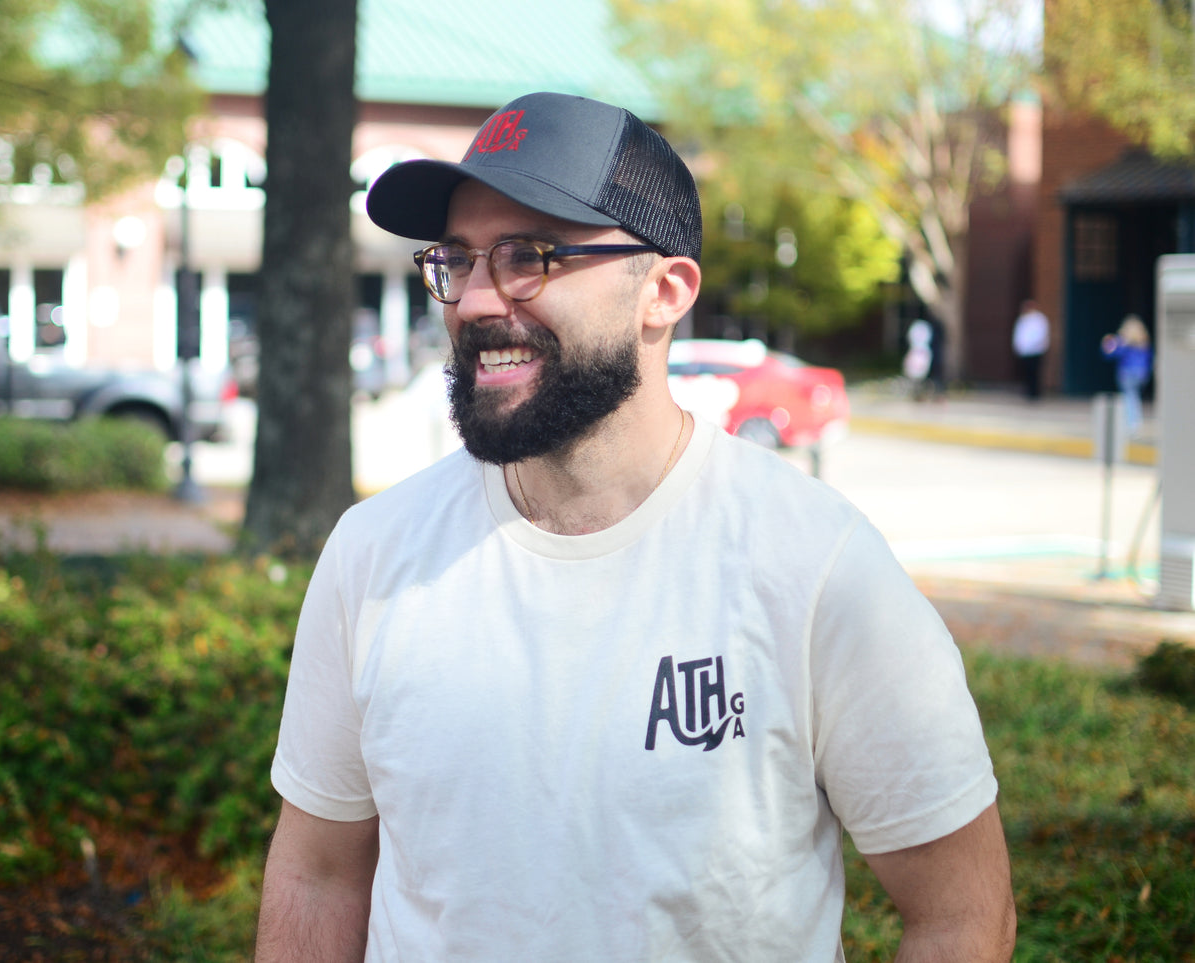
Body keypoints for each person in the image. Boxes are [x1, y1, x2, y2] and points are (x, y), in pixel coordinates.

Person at [256, 91, 1015, 962]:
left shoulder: (813, 564)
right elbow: (318, 875)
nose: (471, 300)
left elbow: (962, 914)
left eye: (527, 256)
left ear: (663, 291)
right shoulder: (373, 554)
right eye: (457, 260)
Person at [1101, 314, 1153, 434]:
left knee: (1129, 397)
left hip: (1127, 373)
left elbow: (1110, 353)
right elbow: (1149, 358)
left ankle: (1131, 423)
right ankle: (1136, 421)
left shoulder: (1123, 341)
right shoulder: (1143, 341)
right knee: (1134, 396)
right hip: (1141, 373)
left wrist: (1108, 343)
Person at [1012, 299, 1050, 400]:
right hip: (1024, 351)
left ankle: (1035, 393)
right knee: (1026, 372)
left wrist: (1031, 345)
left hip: (1035, 350)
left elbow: (1040, 335)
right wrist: (1019, 346)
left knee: (1034, 372)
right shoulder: (1023, 319)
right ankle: (1028, 391)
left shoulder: (1039, 319)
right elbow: (1019, 334)